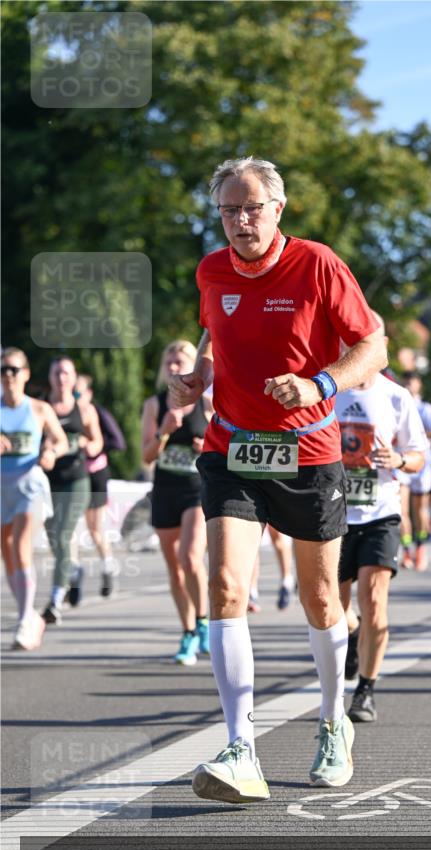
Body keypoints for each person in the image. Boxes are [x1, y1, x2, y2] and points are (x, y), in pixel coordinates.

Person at [169, 156, 385, 803]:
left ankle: (331, 721)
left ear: (277, 209)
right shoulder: (211, 270)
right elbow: (214, 334)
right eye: (229, 210)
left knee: (323, 602)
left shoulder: (317, 264)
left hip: (308, 452)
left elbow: (371, 347)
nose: (240, 220)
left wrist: (318, 384)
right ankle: (241, 747)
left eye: (251, 208)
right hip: (231, 447)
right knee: (226, 585)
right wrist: (201, 377)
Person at [336, 365, 427, 722]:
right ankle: (353, 629)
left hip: (381, 514)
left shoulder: (396, 396)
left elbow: (419, 456)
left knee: (374, 600)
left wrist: (400, 459)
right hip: (334, 514)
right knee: (332, 608)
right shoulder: (329, 390)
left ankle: (365, 691)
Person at [142, 340, 212, 666]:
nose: (173, 365)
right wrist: (164, 433)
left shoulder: (206, 401)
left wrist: (206, 444)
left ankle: (202, 621)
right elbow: (146, 455)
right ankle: (187, 632)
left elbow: (225, 442)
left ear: (193, 365)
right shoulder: (155, 405)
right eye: (168, 360)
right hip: (166, 489)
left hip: (196, 489)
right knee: (175, 568)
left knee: (190, 556)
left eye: (180, 360)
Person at [1, 348, 67, 649]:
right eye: (3, 370)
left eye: (14, 370)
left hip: (31, 485)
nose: (8, 376)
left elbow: (60, 440)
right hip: (3, 487)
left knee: (20, 543)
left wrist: (51, 451)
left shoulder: (39, 409)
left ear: (26, 374)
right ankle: (29, 617)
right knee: (8, 550)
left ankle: (26, 619)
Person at [42, 357, 103, 624]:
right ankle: (74, 570)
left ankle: (55, 599)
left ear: (73, 377)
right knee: (53, 536)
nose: (61, 377)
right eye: (57, 372)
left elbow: (97, 439)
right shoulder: (41, 408)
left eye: (66, 372)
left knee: (64, 533)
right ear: (50, 376)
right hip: (47, 480)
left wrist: (92, 446)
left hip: (77, 479)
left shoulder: (84, 410)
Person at [68, 374, 126, 601]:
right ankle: (73, 575)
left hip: (95, 474)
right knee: (69, 529)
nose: (73, 397)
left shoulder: (95, 412)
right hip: (72, 475)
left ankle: (108, 568)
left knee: (94, 529)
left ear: (88, 394)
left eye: (77, 393)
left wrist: (90, 446)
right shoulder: (60, 411)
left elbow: (117, 442)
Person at [402, 372, 431, 571]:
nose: (408, 385)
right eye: (406, 382)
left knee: (420, 509)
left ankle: (421, 548)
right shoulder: (397, 403)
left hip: (422, 463)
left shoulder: (425, 409)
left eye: (412, 382)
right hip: (402, 461)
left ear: (419, 385)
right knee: (402, 509)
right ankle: (406, 549)